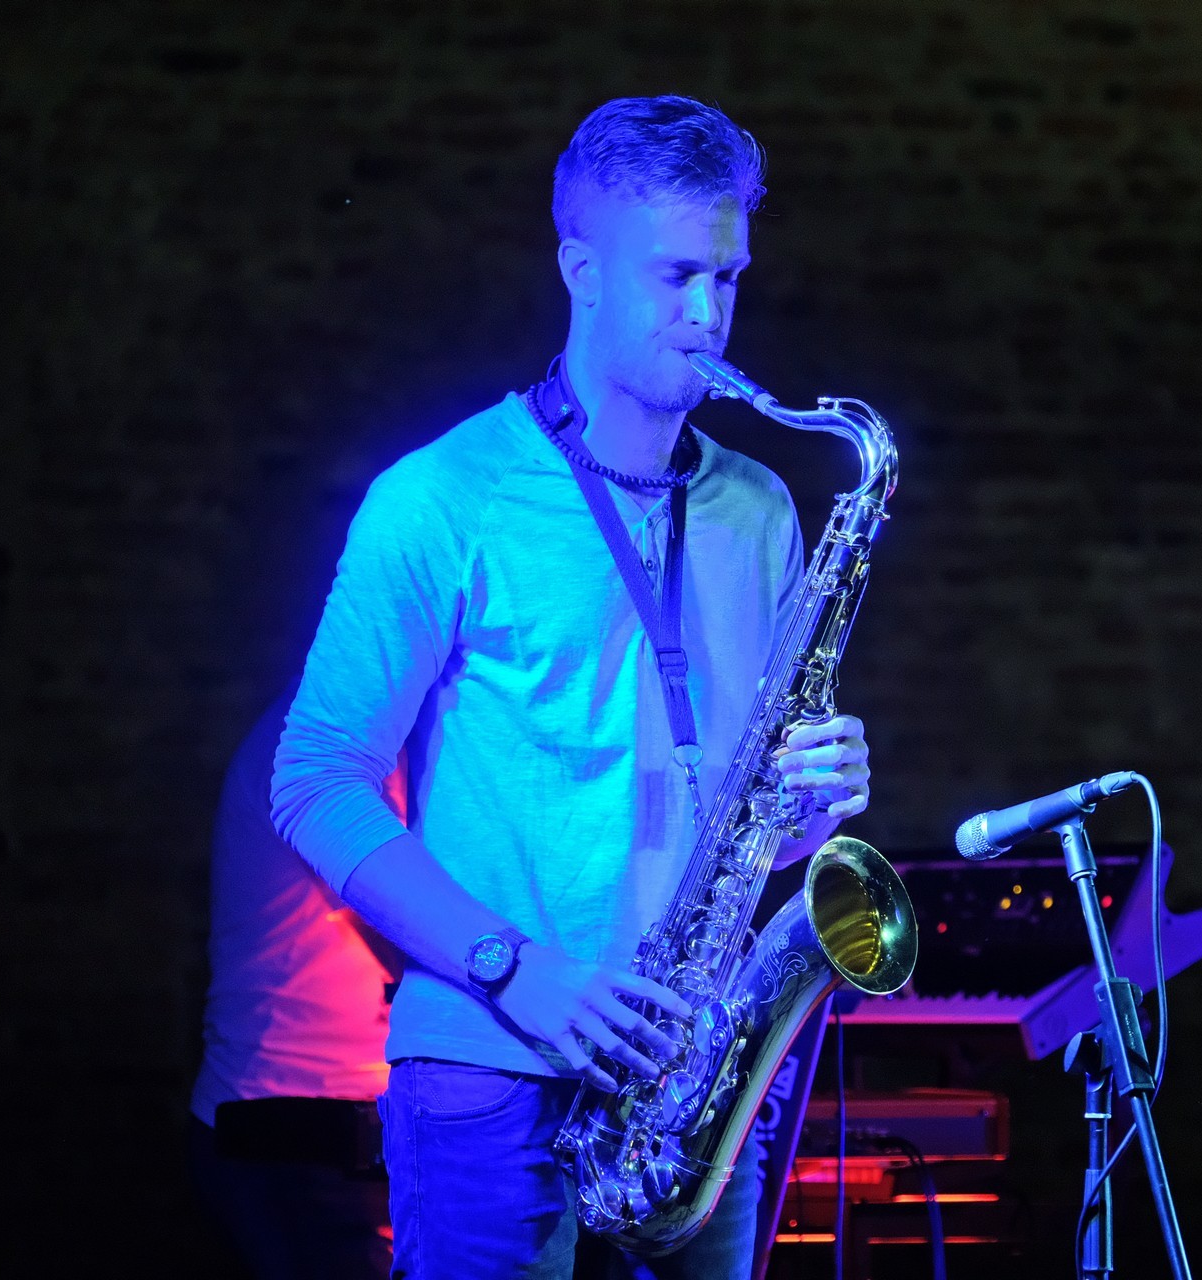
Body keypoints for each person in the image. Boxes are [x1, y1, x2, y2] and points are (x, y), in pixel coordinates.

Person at [270, 95, 874, 1280]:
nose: (709, 313)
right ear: (581, 271)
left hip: (692, 1082)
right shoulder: (442, 496)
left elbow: (753, 825)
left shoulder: (759, 509)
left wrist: (813, 802)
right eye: (676, 275)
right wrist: (515, 966)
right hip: (491, 1063)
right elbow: (314, 781)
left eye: (728, 277)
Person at [191, 689, 404, 1279]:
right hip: (294, 1141)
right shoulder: (323, 736)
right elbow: (404, 931)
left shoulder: (388, 735)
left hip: (335, 1141)